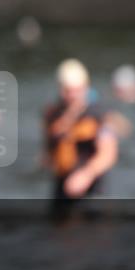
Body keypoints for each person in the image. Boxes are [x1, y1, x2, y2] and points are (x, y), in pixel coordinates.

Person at [42, 59, 119, 220]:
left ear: (85, 88)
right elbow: (48, 152)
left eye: (76, 90)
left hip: (92, 189)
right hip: (61, 187)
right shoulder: (52, 115)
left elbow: (108, 153)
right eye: (67, 90)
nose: (71, 96)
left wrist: (86, 175)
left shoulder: (98, 115)